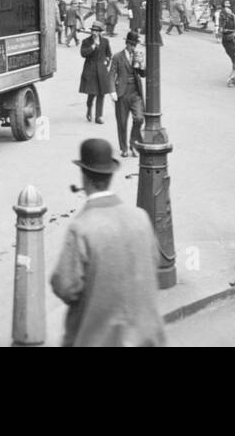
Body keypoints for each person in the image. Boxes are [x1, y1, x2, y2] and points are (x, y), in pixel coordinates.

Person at [50, 139, 166, 347]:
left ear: (84, 177)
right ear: (110, 175)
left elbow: (65, 286)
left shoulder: (82, 228)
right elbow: (153, 261)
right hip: (145, 338)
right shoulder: (140, 218)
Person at [110, 31, 145, 159]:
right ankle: (123, 148)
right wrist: (112, 91)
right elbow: (111, 75)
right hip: (122, 93)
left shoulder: (137, 55)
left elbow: (143, 74)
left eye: (135, 45)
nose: (133, 47)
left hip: (135, 92)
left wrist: (141, 65)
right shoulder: (117, 57)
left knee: (139, 118)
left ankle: (133, 143)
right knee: (122, 122)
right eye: (131, 44)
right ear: (126, 43)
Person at [79, 23, 113, 124]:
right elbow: (83, 53)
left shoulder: (105, 41)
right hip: (90, 70)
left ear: (100, 32)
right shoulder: (86, 41)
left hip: (102, 71)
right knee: (92, 93)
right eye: (93, 30)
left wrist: (107, 60)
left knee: (101, 93)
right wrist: (92, 47)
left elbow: (109, 54)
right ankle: (89, 107)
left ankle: (99, 116)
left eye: (97, 31)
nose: (94, 33)